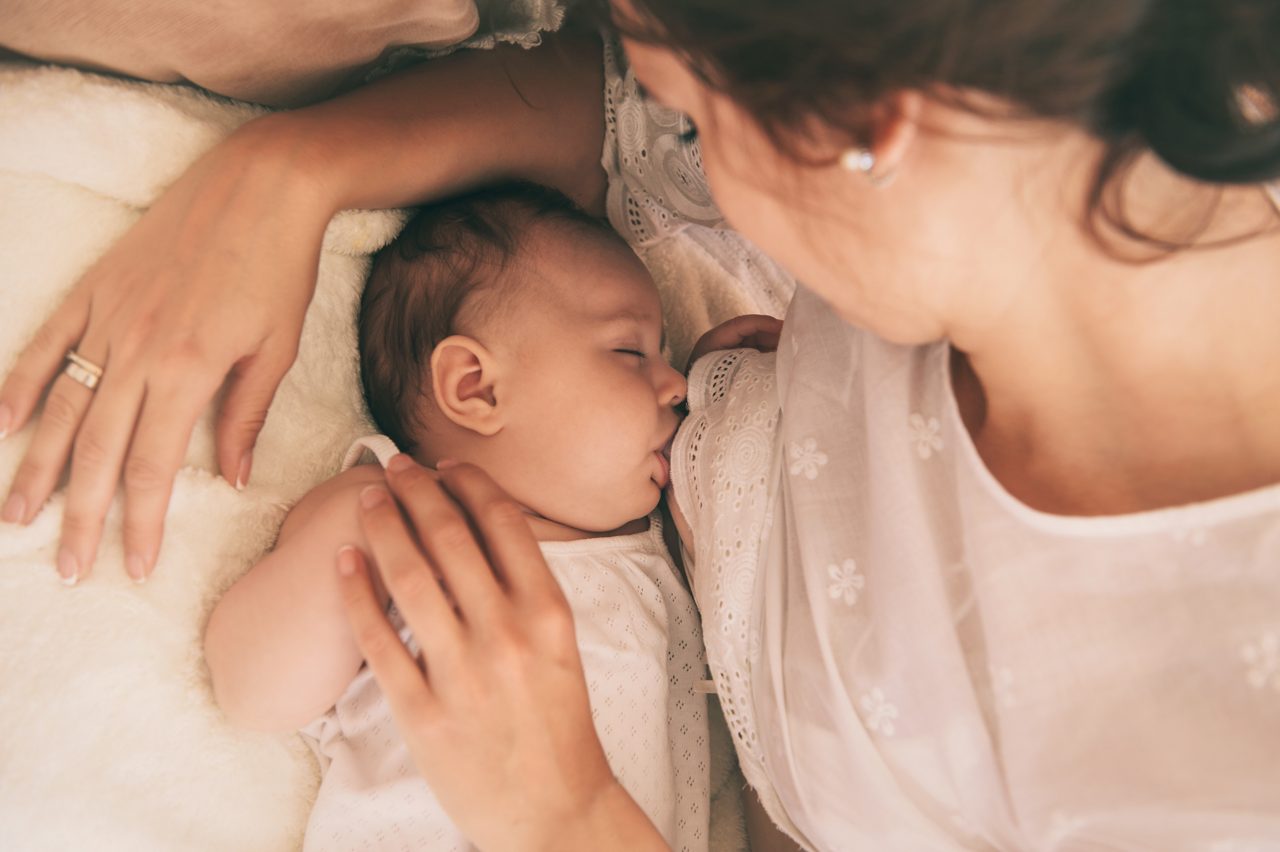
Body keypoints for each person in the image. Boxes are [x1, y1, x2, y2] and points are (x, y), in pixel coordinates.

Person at [4, 1, 1280, 849]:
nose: (697, 177)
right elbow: (619, 125)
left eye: (706, 118)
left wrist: (561, 812)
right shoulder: (1019, 175)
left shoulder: (1201, 751)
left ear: (862, 133)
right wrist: (286, 175)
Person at [203, 182, 755, 851]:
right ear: (475, 387)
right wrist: (352, 526)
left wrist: (740, 409)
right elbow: (252, 693)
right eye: (629, 352)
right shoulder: (398, 519)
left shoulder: (666, 541)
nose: (673, 385)